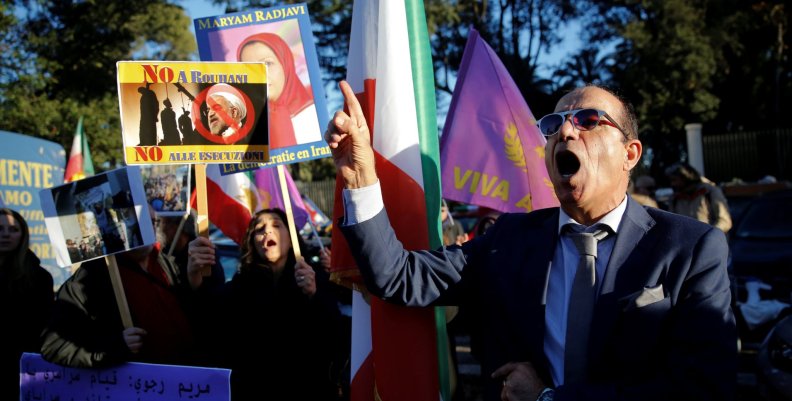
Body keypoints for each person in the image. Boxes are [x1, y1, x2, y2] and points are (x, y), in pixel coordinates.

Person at [324, 81, 736, 401]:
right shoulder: (508, 239)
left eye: (589, 120)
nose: (566, 131)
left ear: (630, 154)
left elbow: (702, 389)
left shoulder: (691, 248)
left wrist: (548, 398)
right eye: (554, 125)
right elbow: (399, 277)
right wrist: (361, 178)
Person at [187, 208, 341, 401]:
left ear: (291, 235)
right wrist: (194, 277)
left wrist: (313, 296)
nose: (267, 231)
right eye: (260, 229)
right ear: (252, 242)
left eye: (276, 225)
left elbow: (334, 337)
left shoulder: (315, 278)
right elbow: (209, 322)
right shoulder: (240, 286)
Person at [40, 207, 208, 368]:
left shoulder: (167, 265)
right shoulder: (92, 276)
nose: (147, 229)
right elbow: (55, 346)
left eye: (152, 222)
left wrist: (195, 279)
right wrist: (115, 347)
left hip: (183, 384)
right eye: (136, 221)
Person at [0, 208, 53, 399]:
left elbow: (42, 328)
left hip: (22, 369)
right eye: (0, 229)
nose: (6, 234)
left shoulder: (40, 278)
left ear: (23, 235)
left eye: (13, 230)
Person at [238, 32, 321, 148]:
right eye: (250, 68)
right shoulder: (241, 128)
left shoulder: (316, 116)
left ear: (285, 64)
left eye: (267, 63)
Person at [665, 162, 732, 233]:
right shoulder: (675, 199)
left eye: (675, 180)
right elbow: (672, 224)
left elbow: (725, 221)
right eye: (671, 180)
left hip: (711, 241)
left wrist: (709, 237)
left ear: (686, 177)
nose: (672, 184)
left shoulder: (709, 192)